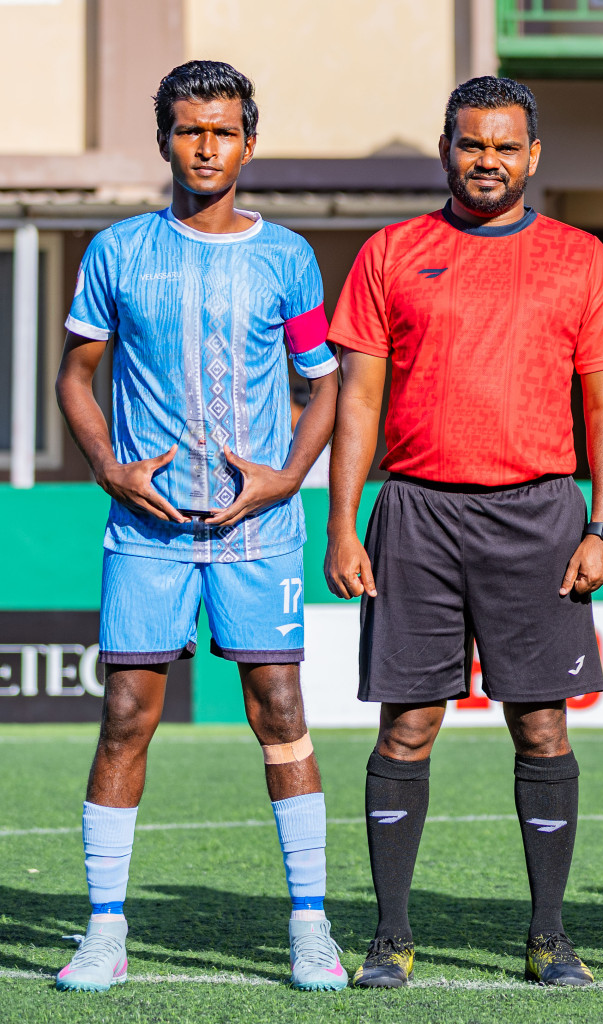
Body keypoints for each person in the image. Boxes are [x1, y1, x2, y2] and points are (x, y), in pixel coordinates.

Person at [324, 76, 603, 989]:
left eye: (505, 146)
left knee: (541, 727)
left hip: (541, 514)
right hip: (417, 511)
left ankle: (549, 937)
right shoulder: (391, 252)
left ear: (534, 155)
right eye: (470, 144)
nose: (486, 161)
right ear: (446, 148)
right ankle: (391, 936)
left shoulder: (580, 259)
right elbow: (360, 399)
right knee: (407, 726)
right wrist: (342, 524)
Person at [52, 61, 343, 992]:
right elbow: (75, 374)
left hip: (260, 531)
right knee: (127, 717)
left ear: (249, 143)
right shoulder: (118, 249)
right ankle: (104, 931)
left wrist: (288, 477)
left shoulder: (288, 256)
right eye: (188, 129)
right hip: (150, 529)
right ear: (166, 138)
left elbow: (324, 383)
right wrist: (109, 467)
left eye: (222, 130)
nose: (206, 146)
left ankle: (310, 927)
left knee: (282, 713)